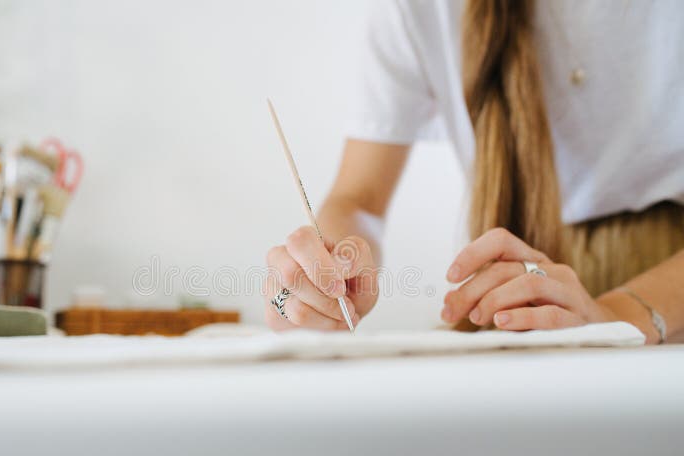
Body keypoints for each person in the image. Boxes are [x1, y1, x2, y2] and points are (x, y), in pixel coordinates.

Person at [263, 0, 684, 344]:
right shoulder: (418, 10)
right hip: (514, 306)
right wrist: (325, 270)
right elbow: (358, 199)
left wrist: (619, 316)